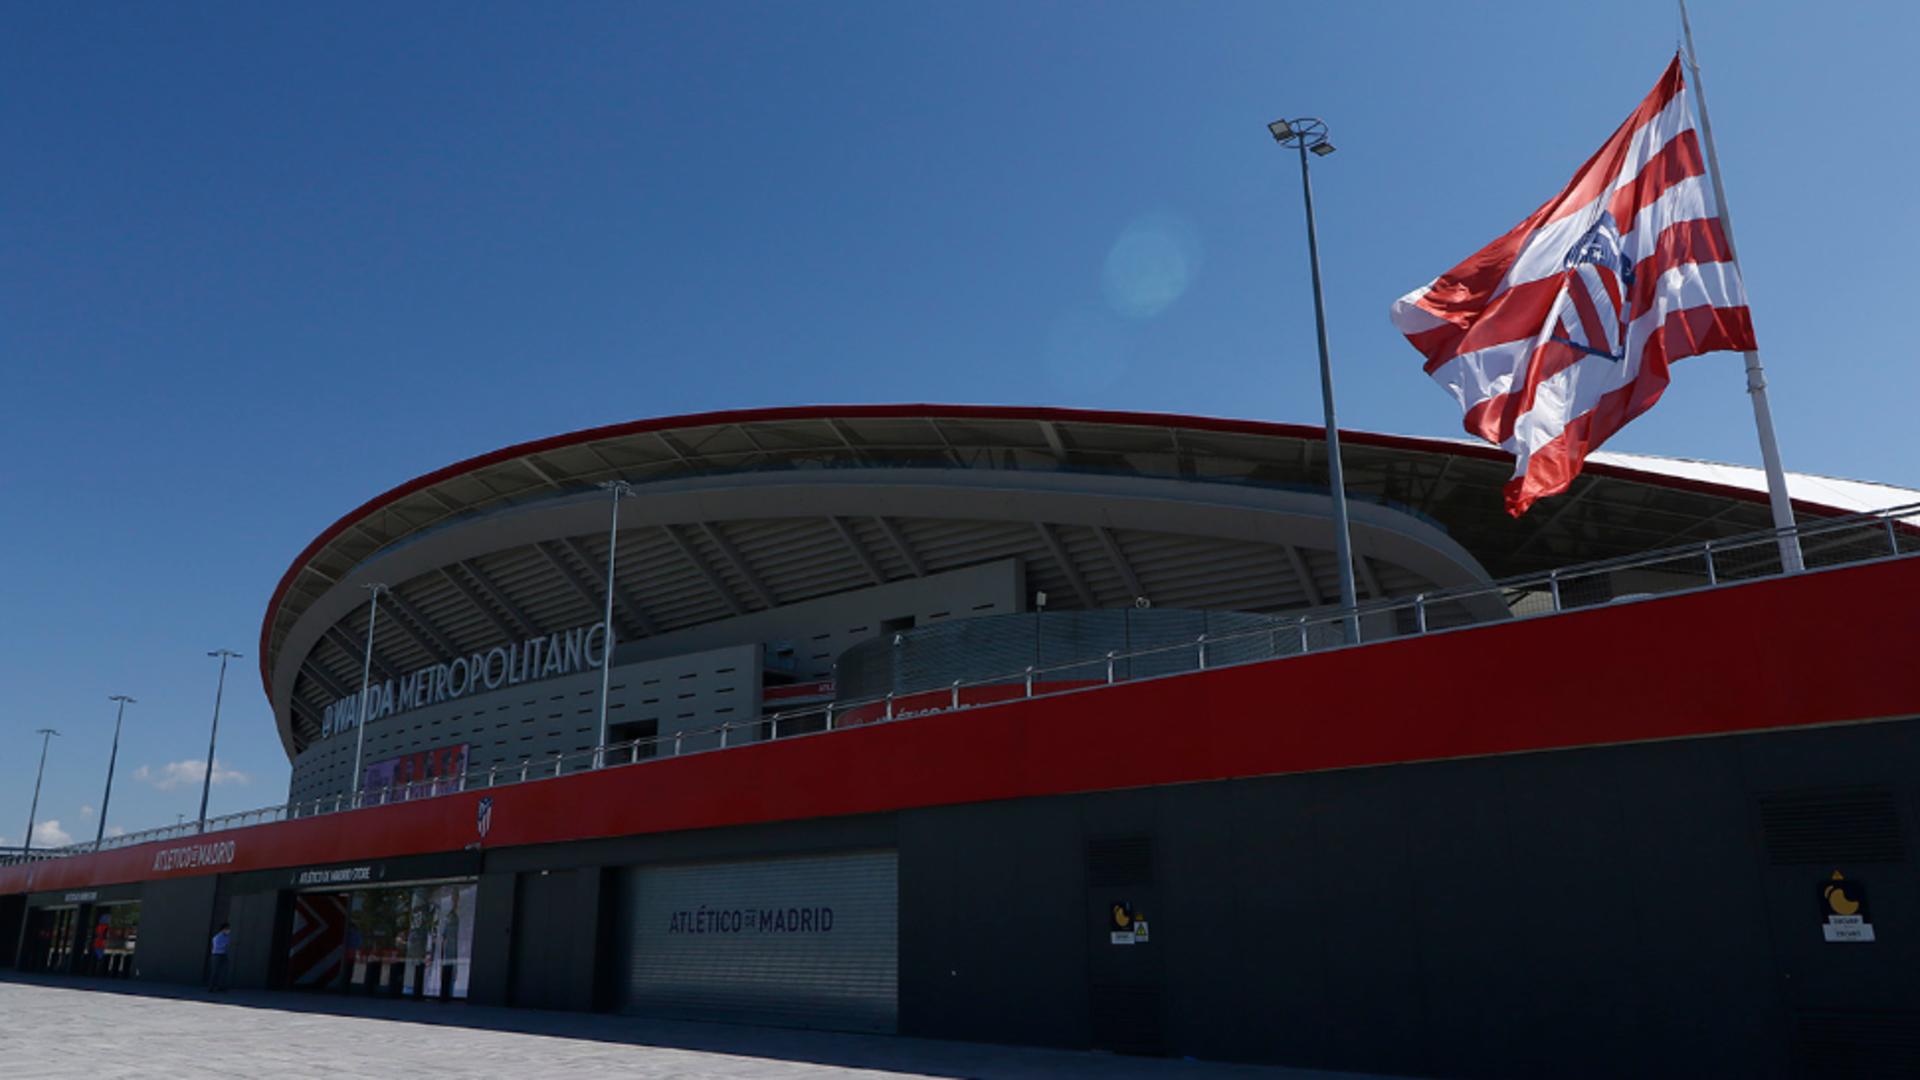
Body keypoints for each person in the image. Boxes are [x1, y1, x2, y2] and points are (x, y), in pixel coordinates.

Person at [208, 922, 231, 992]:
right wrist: (224, 945)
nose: (228, 931)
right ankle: (211, 987)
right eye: (227, 929)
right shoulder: (217, 937)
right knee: (215, 971)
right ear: (223, 929)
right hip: (217, 954)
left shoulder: (227, 937)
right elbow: (217, 946)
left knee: (223, 971)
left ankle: (221, 986)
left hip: (224, 954)